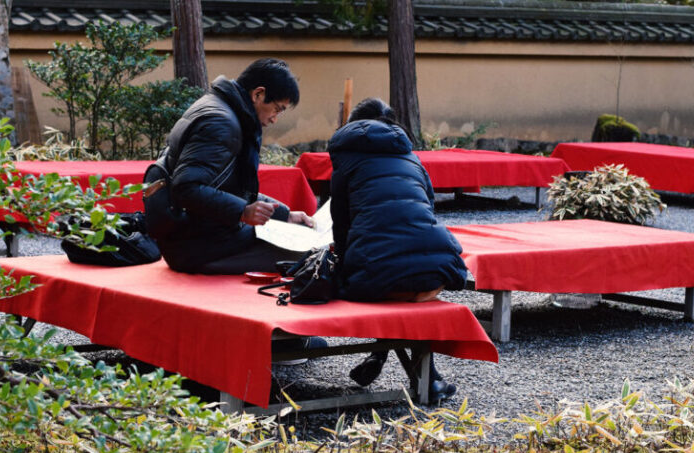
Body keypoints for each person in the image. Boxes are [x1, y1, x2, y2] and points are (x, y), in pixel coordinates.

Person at [328, 98, 467, 402]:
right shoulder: (412, 158)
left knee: (385, 275)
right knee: (401, 276)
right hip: (434, 273)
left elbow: (341, 222)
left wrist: (340, 257)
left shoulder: (346, 158)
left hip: (376, 279)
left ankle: (382, 357)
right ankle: (428, 379)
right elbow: (427, 210)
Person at [144, 58, 314, 275]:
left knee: (295, 234)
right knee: (305, 257)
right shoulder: (221, 123)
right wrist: (243, 211)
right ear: (258, 94)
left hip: (192, 237)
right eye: (277, 109)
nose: (275, 119)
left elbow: (228, 187)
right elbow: (186, 187)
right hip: (196, 247)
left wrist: (284, 215)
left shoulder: (219, 108)